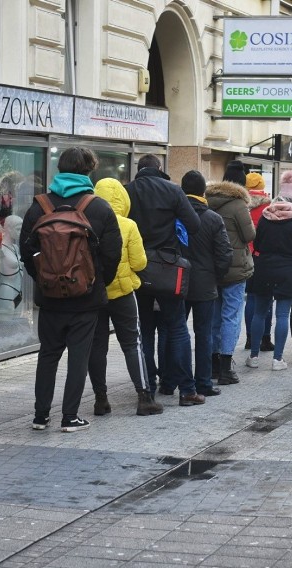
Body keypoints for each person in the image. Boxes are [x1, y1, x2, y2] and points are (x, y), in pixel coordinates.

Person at [20, 148, 122, 432]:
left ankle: (40, 417)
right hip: (86, 299)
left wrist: (44, 279)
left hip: (49, 298)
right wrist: (97, 282)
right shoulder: (99, 207)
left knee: (48, 354)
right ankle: (70, 417)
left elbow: (26, 252)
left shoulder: (39, 206)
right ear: (89, 171)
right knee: (79, 356)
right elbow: (113, 253)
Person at [124, 154, 203, 406]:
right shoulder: (172, 190)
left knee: (144, 330)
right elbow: (194, 225)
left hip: (138, 270)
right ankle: (187, 391)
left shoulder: (127, 192)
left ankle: (146, 387)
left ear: (138, 170)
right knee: (178, 327)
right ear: (159, 168)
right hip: (168, 268)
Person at [89, 177, 162, 416]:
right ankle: (144, 396)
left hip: (93, 293)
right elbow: (140, 262)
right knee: (132, 343)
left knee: (96, 347)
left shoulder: (86, 220)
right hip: (122, 292)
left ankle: (101, 400)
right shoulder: (128, 225)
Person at [180, 170, 232, 396]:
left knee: (176, 331)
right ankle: (203, 383)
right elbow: (224, 254)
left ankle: (172, 381)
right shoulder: (213, 218)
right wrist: (215, 276)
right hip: (205, 283)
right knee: (204, 334)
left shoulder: (175, 216)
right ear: (203, 192)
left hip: (177, 281)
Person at [206, 161, 256, 386]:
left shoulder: (207, 200)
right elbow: (249, 235)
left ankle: (213, 364)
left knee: (214, 316)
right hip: (235, 269)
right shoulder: (238, 205)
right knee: (231, 315)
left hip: (211, 267)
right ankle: (226, 366)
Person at [246, 194, 292, 370]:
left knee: (259, 313)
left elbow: (257, 244)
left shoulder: (265, 218)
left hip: (264, 268)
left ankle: (254, 356)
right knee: (283, 315)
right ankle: (277, 359)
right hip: (289, 270)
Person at [243, 171, 273, 352]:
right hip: (263, 255)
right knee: (265, 298)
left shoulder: (241, 204)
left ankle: (249, 338)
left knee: (251, 298)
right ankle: (265, 338)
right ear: (262, 186)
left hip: (245, 255)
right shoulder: (268, 207)